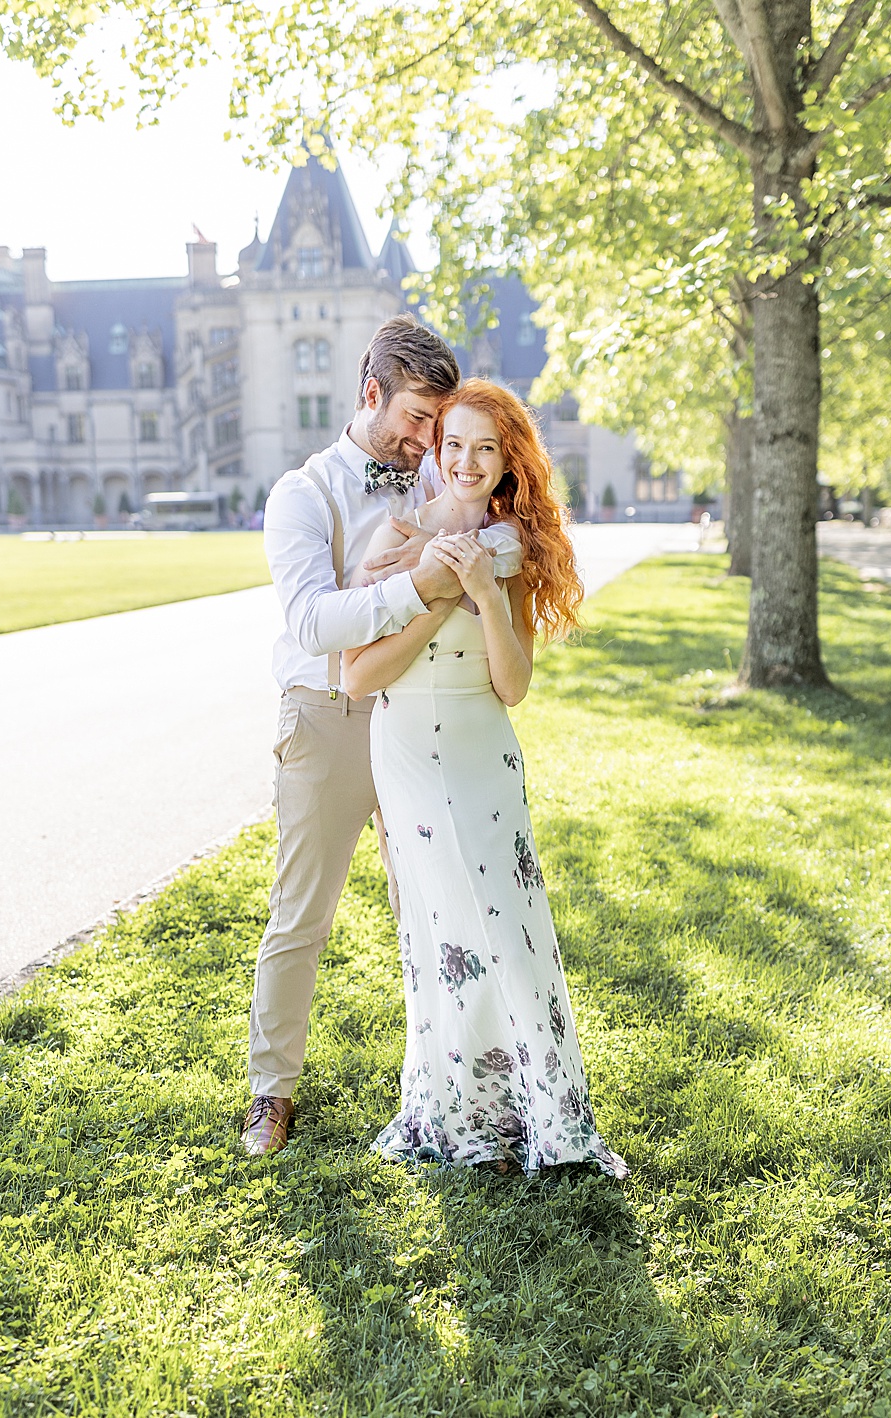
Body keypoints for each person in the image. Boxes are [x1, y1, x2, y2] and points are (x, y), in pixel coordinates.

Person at [242, 315, 524, 1158]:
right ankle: (270, 1091)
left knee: (431, 905)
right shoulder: (305, 493)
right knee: (303, 915)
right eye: (414, 420)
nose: (428, 442)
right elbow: (311, 620)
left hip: (419, 720)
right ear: (371, 394)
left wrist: (475, 553)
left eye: (439, 426)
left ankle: (441, 1077)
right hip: (328, 721)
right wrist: (422, 585)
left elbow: (507, 531)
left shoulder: (437, 473)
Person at [342, 379, 626, 1178]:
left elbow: (513, 685)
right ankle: (460, 1112)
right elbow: (360, 678)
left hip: (481, 750)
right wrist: (435, 593)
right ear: (437, 449)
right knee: (441, 933)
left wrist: (485, 596)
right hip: (405, 753)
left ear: (509, 464)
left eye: (486, 449)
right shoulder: (393, 538)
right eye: (454, 444)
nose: (466, 461)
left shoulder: (514, 552)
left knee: (510, 926)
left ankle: (544, 1115)